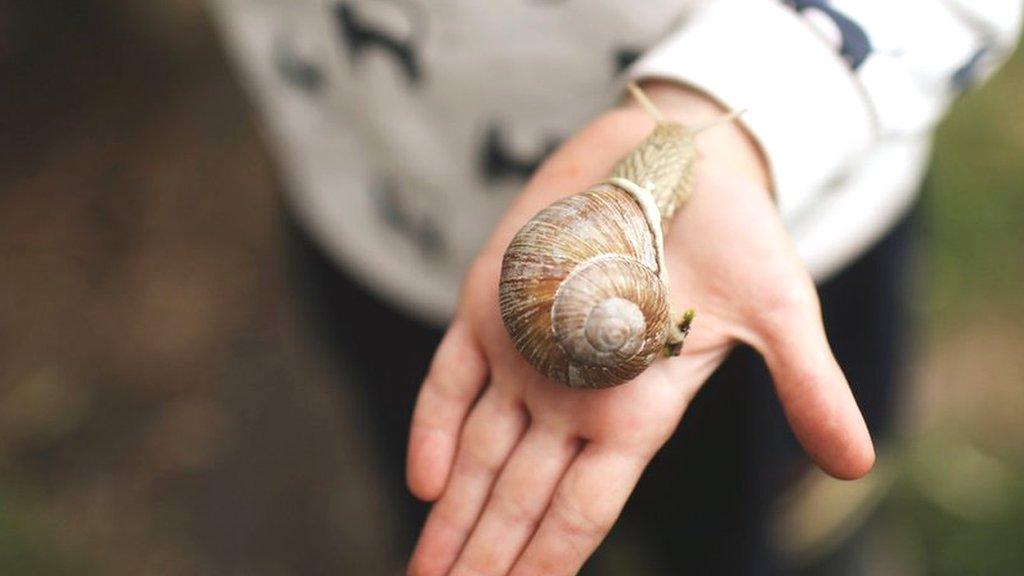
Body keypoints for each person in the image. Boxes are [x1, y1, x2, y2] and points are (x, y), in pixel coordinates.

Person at [209, 1, 1022, 574]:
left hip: (793, 231)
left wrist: (747, 108)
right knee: (502, 515)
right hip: (384, 209)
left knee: (772, 507)